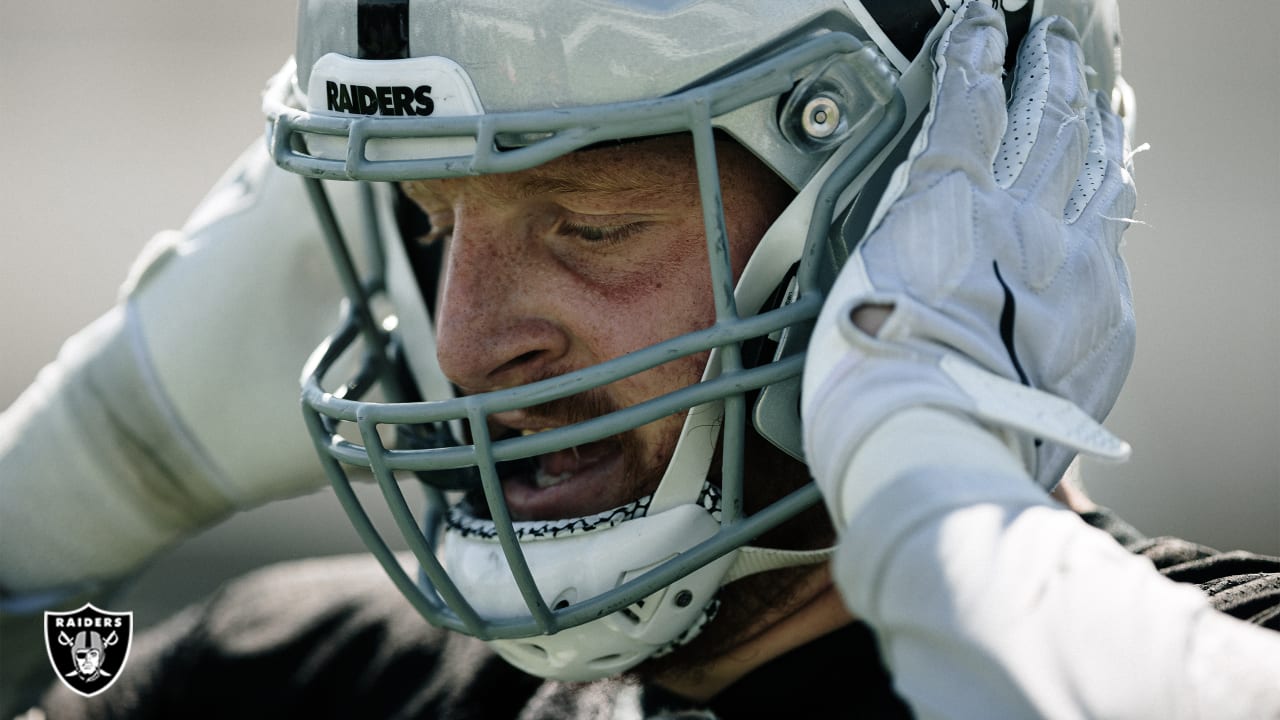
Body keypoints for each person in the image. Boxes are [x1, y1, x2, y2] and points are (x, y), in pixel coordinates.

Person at [2, 1, 1278, 717]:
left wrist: (925, 473)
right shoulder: (308, 685)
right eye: (430, 228)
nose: (461, 341)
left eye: (591, 224)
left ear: (930, 219)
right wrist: (78, 480)